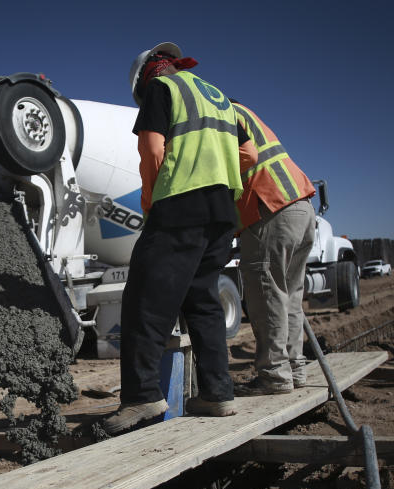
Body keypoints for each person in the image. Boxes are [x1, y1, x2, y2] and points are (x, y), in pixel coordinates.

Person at [102, 42, 257, 435]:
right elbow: (250, 155)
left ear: (148, 74)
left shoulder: (162, 89)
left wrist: (152, 198)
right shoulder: (219, 98)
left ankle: (141, 398)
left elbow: (153, 148)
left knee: (144, 300)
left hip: (179, 206)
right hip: (223, 210)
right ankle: (217, 394)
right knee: (202, 300)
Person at [230, 100, 317, 395]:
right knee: (289, 295)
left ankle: (274, 376)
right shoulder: (249, 115)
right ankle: (294, 370)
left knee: (267, 294)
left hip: (270, 207)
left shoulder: (222, 116)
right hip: (301, 207)